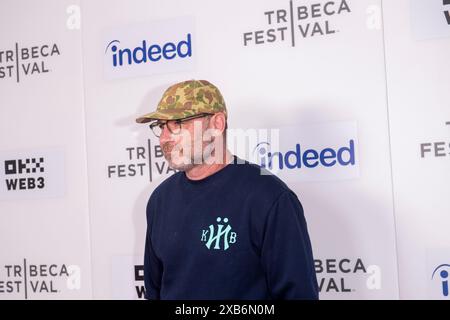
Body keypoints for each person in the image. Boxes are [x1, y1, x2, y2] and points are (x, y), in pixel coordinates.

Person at [135, 79, 318, 300]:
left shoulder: (268, 197)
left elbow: (298, 294)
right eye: (161, 126)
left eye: (178, 123)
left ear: (217, 124)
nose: (165, 138)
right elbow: (155, 292)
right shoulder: (160, 200)